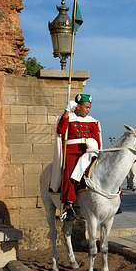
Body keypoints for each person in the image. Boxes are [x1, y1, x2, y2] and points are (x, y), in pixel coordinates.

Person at [55, 93, 101, 221]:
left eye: (89, 107)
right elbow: (61, 131)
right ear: (78, 106)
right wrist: (66, 111)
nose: (88, 110)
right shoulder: (68, 117)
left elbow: (96, 138)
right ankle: (68, 205)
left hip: (88, 151)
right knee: (69, 171)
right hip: (72, 151)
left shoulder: (91, 121)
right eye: (86, 107)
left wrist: (95, 148)